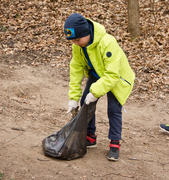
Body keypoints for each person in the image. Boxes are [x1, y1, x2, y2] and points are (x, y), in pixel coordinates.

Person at [64, 13, 135, 161]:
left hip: (117, 78)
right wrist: (73, 98)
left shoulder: (107, 42)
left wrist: (95, 92)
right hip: (97, 74)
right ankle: (90, 136)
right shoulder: (78, 46)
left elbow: (112, 75)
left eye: (77, 39)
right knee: (86, 102)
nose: (75, 43)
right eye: (72, 41)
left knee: (114, 109)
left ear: (87, 33)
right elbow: (75, 70)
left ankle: (115, 143)